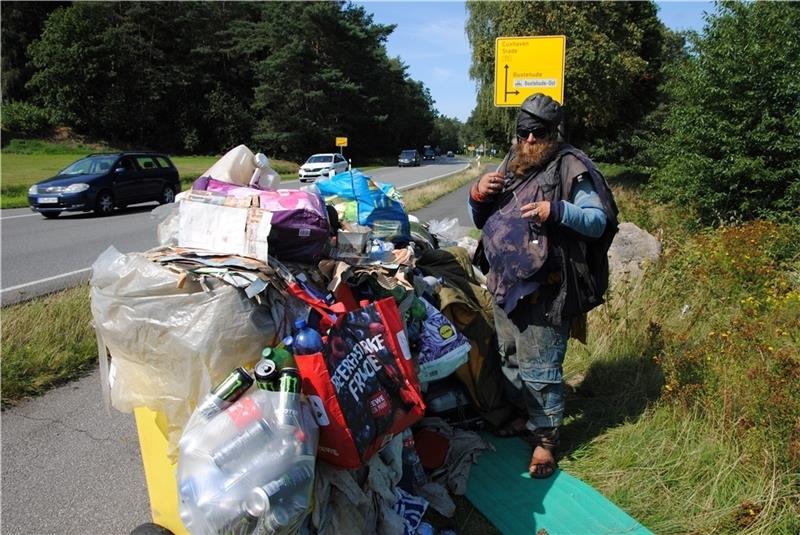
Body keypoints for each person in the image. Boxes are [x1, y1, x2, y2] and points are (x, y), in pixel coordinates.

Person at [468, 93, 614, 479]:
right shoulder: (511, 162)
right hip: (503, 282)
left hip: (546, 288)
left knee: (541, 368)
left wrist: (557, 210)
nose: (530, 140)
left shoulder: (570, 166)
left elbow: (597, 220)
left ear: (553, 132)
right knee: (510, 356)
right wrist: (477, 193)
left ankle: (546, 441)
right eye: (523, 132)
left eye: (538, 132)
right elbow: (482, 216)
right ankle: (526, 419)